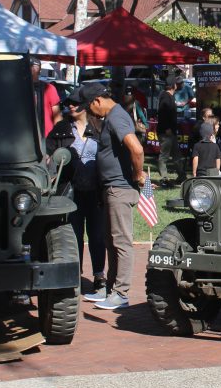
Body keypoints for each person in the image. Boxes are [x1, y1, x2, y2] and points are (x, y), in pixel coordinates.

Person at [75, 83, 146, 311]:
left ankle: (121, 293)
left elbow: (136, 149)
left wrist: (138, 175)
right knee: (111, 241)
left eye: (89, 107)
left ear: (97, 101)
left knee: (121, 241)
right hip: (111, 188)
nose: (90, 113)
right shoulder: (112, 118)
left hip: (120, 188)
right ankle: (111, 289)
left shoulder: (117, 117)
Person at [46, 94, 108, 302]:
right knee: (74, 236)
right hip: (71, 191)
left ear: (85, 105)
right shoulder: (62, 129)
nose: (70, 106)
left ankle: (99, 276)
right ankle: (76, 276)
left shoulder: (99, 127)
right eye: (67, 104)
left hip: (96, 191)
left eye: (74, 103)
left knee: (97, 235)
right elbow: (48, 154)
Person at [156, 81, 185, 186]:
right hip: (166, 132)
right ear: (174, 86)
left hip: (171, 131)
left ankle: (182, 176)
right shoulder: (166, 97)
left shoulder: (169, 96)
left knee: (177, 155)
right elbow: (162, 114)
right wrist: (167, 128)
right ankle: (164, 178)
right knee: (164, 156)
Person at [30, 58, 61, 136]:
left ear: (40, 69)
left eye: (34, 66)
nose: (32, 69)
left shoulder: (49, 88)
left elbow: (57, 115)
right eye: (30, 66)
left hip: (47, 137)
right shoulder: (20, 88)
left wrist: (57, 136)